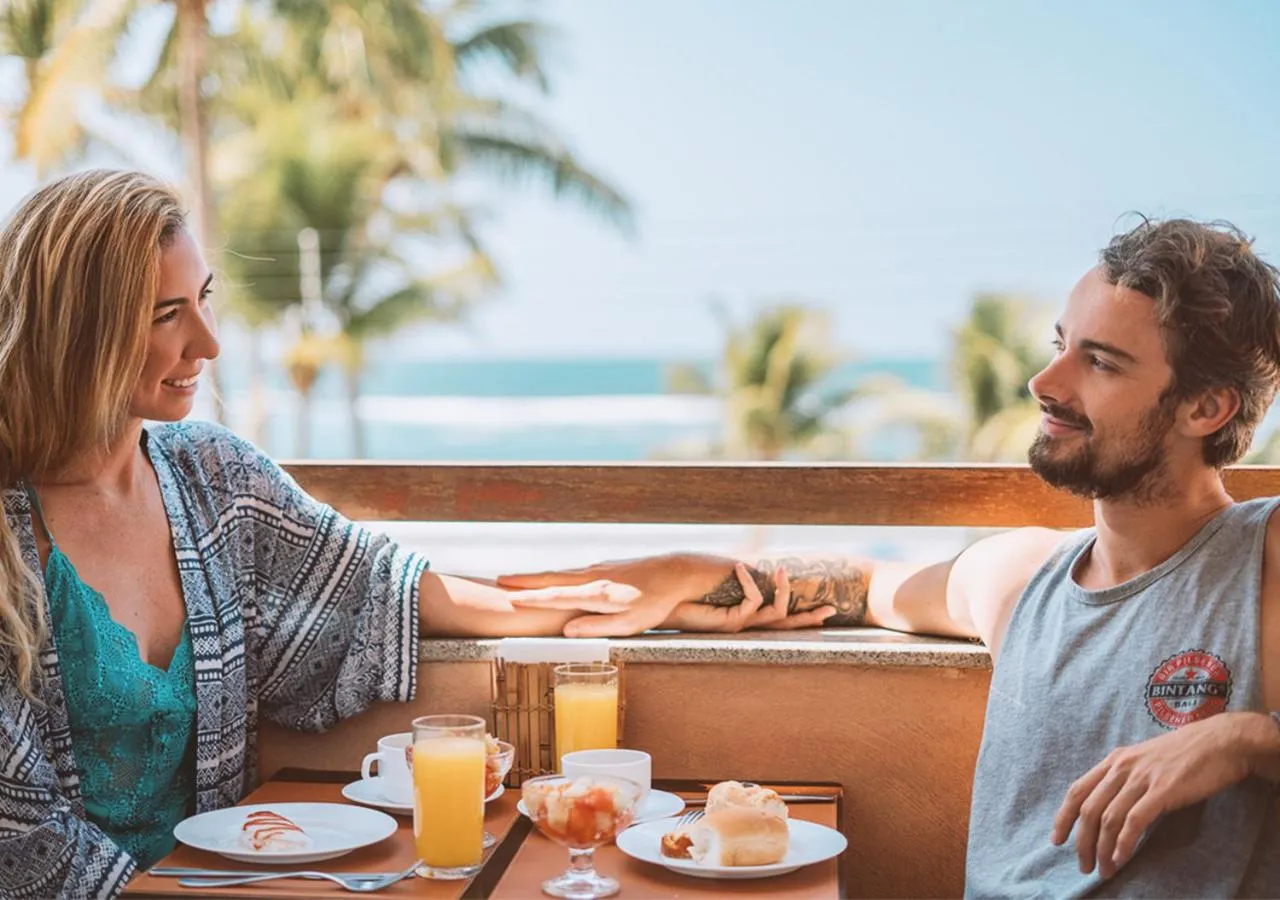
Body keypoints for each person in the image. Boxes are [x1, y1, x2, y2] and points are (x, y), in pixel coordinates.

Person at [0, 169, 830, 898]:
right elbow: (21, 841)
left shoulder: (213, 480)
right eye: (166, 315)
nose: (208, 343)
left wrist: (649, 587)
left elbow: (392, 588)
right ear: (80, 331)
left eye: (205, 298)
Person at [499, 216, 1280, 896]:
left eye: (1101, 362)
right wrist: (679, 575)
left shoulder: (1262, 560)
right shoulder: (1023, 580)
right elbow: (867, 587)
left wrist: (1246, 740)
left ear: (1205, 408)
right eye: (1059, 346)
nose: (1045, 382)